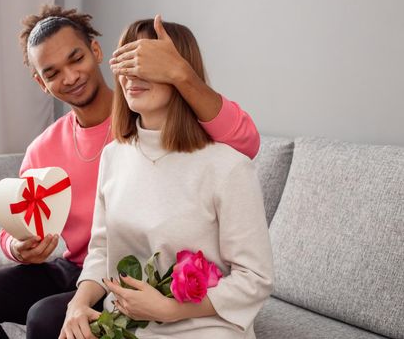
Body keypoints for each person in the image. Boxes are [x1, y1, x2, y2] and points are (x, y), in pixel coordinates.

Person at [0, 5, 261, 339]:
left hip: (123, 267)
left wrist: (181, 73)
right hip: (78, 266)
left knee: (45, 317)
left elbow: (243, 143)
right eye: (52, 73)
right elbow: (17, 220)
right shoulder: (46, 148)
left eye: (75, 59)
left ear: (96, 51)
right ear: (41, 82)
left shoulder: (152, 121)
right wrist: (17, 247)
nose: (69, 77)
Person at [59, 19, 273, 339]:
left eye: (145, 62)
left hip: (205, 328)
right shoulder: (114, 156)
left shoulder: (227, 166)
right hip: (126, 324)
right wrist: (77, 304)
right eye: (126, 62)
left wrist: (171, 309)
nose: (132, 75)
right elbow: (101, 251)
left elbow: (255, 278)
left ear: (178, 70)